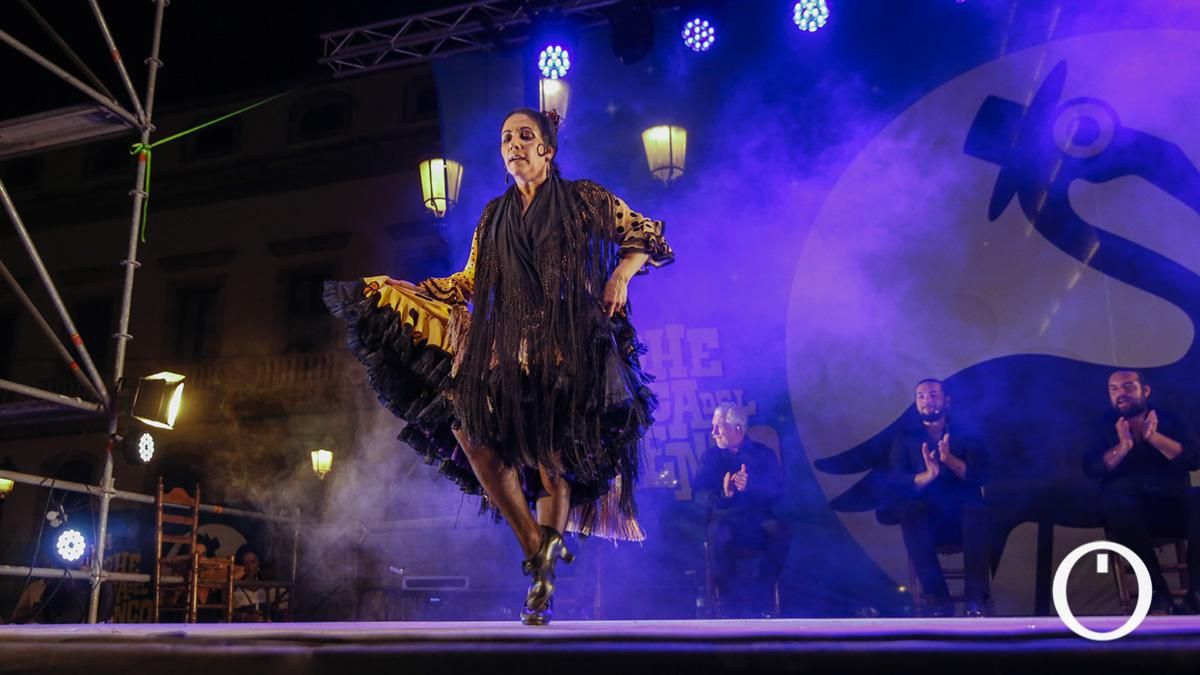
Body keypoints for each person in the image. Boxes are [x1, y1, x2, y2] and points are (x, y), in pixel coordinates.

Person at [325, 107, 673, 625]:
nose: (513, 145)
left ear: (547, 151)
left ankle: (541, 573)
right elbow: (470, 281)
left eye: (525, 137)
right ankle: (538, 548)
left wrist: (622, 272)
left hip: (572, 340)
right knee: (471, 431)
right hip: (508, 346)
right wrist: (408, 292)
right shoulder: (493, 217)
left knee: (553, 451)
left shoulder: (583, 200)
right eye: (506, 138)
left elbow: (645, 234)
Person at [1084, 370, 1200, 615]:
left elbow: (1193, 458)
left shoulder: (1169, 418)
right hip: (1129, 514)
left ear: (1145, 391)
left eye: (1127, 386)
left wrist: (1154, 438)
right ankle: (1157, 594)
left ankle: (1196, 594)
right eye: (1113, 389)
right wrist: (1123, 446)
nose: (1120, 394)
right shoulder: (1102, 424)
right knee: (1116, 502)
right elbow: (1093, 468)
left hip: (1171, 507)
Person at [887, 378, 992, 617]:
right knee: (909, 510)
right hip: (927, 521)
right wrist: (928, 475)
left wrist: (950, 461)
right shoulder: (905, 439)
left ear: (946, 400)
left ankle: (975, 600)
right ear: (916, 403)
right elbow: (896, 483)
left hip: (963, 518)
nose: (927, 401)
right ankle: (938, 600)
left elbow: (981, 476)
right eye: (921, 396)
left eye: (933, 394)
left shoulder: (967, 435)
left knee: (977, 510)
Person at [693, 404, 788, 617]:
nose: (714, 432)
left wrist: (751, 485)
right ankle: (730, 604)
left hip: (758, 520)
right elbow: (698, 495)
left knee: (779, 531)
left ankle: (761, 600)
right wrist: (725, 493)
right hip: (724, 519)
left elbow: (778, 492)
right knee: (720, 533)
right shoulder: (710, 458)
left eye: (719, 427)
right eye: (713, 427)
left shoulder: (764, 454)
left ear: (738, 428)